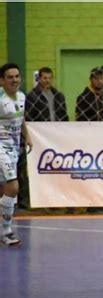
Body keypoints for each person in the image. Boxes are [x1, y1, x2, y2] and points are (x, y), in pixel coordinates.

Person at [0, 63, 33, 245]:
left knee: (4, 190)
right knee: (13, 187)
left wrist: (27, 137)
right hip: (0, 147)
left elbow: (21, 118)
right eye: (10, 77)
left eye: (17, 76)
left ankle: (4, 232)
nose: (15, 80)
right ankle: (6, 232)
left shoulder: (21, 96)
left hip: (13, 148)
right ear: (2, 81)